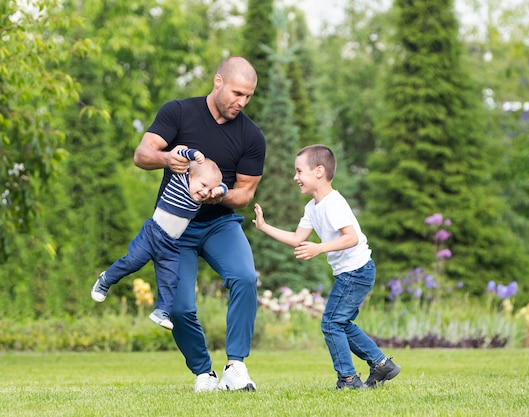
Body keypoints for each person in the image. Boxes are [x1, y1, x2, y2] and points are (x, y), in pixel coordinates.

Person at [132, 56, 266, 393]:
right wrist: (166, 158)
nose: (242, 102)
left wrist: (219, 195)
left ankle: (236, 366)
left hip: (219, 223)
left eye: (248, 96)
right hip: (175, 227)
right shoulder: (178, 112)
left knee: (246, 277)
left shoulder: (251, 135)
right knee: (178, 306)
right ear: (218, 82)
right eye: (238, 93)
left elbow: (245, 193)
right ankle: (203, 374)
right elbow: (142, 154)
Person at [252, 144, 401, 389]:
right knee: (339, 323)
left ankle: (348, 379)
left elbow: (351, 237)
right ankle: (381, 364)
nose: (295, 177)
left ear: (319, 171)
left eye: (299, 171)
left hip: (357, 271)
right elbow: (297, 238)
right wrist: (264, 227)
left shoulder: (334, 203)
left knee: (331, 323)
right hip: (352, 273)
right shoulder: (312, 207)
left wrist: (319, 248)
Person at [91, 148, 227, 330]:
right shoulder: (180, 179)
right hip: (152, 233)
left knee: (170, 277)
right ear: (191, 175)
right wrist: (194, 154)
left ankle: (161, 311)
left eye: (209, 190)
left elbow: (224, 188)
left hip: (171, 244)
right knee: (132, 262)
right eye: (203, 185)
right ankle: (105, 280)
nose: (204, 192)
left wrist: (219, 189)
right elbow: (180, 153)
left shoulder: (201, 197)